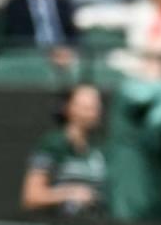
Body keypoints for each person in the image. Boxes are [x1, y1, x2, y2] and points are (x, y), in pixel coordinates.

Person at [20, 85, 106, 217]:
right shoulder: (52, 144)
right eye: (87, 107)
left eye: (96, 107)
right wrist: (70, 194)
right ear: (68, 108)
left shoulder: (99, 149)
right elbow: (31, 197)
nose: (93, 112)